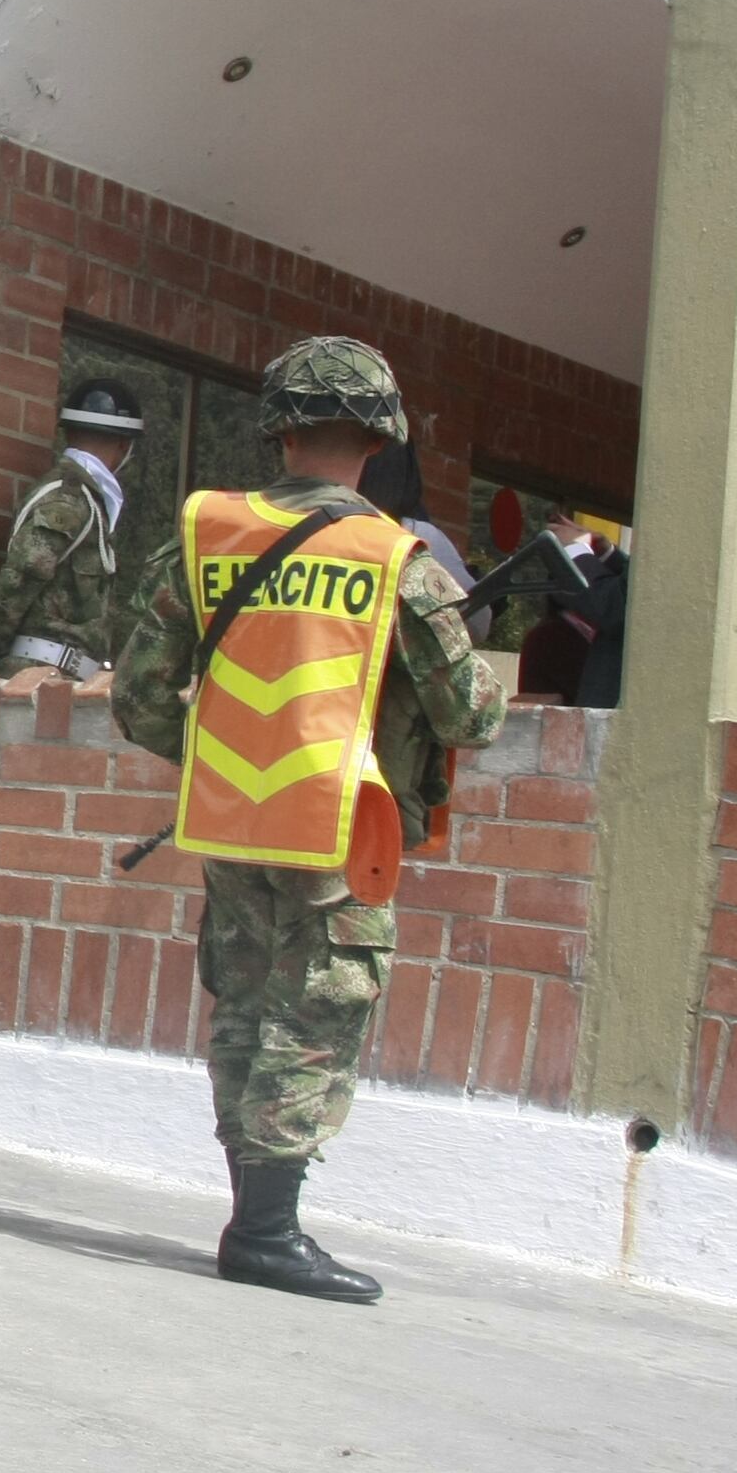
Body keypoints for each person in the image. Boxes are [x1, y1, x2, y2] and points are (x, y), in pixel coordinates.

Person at [115, 337, 506, 1303]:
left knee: (246, 1008)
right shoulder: (393, 560)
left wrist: (217, 760)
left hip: (233, 819)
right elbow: (472, 716)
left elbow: (139, 693)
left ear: (279, 429)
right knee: (318, 1013)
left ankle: (255, 1218)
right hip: (340, 827)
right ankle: (266, 1234)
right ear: (379, 440)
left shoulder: (210, 531)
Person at [0, 378, 146, 682]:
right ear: (124, 444)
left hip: (63, 678)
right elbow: (22, 575)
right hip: (38, 677)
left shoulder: (87, 499)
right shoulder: (69, 499)